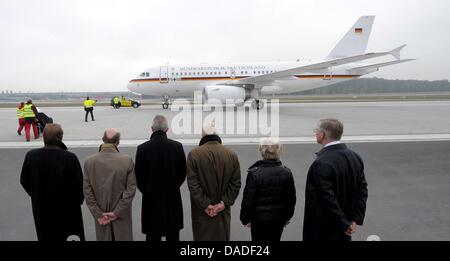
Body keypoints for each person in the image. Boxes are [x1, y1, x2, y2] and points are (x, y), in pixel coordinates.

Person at [303, 118, 368, 241]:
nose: (315, 133)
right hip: (346, 227)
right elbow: (362, 191)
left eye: (316, 131)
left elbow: (327, 198)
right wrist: (354, 219)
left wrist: (343, 223)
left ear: (322, 135)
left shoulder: (322, 162)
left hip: (324, 229)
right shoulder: (355, 158)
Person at [20, 123, 85, 241]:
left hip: (41, 209)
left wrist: (36, 195)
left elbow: (24, 180)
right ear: (60, 138)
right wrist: (77, 202)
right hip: (67, 210)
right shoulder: (70, 158)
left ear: (44, 137)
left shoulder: (31, 156)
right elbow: (79, 185)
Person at [186, 121, 241, 241]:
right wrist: (223, 203)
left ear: (202, 135)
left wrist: (205, 204)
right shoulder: (231, 155)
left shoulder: (194, 155)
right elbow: (235, 184)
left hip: (202, 213)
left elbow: (193, 185)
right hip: (222, 213)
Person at [135, 115, 186, 241]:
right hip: (172, 197)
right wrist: (173, 186)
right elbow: (182, 172)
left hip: (150, 199)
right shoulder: (177, 147)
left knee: (152, 235)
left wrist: (147, 190)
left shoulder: (142, 149)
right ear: (167, 129)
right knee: (173, 235)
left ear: (152, 129)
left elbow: (138, 176)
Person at [83, 128, 137, 241]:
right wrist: (117, 212)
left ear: (103, 139)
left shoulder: (89, 162)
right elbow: (130, 190)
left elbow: (88, 192)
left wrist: (98, 214)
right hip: (121, 216)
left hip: (102, 216)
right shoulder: (126, 161)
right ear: (118, 141)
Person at [240, 137, 296, 241]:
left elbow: (248, 199)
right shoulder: (286, 173)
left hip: (258, 219)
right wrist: (287, 217)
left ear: (262, 151)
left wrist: (245, 219)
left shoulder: (254, 173)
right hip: (278, 218)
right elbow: (290, 199)